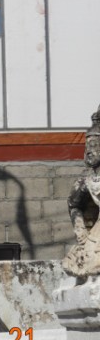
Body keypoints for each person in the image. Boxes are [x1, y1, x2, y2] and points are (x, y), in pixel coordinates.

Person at [62, 107, 100, 277]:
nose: (89, 152)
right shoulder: (86, 180)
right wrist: (81, 232)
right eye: (87, 147)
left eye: (94, 146)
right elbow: (73, 203)